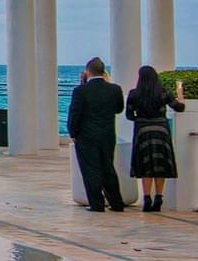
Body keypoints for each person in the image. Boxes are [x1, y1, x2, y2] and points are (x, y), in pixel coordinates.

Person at [66, 56, 125, 213]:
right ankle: (116, 202)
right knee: (108, 168)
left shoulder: (81, 91)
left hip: (86, 136)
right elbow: (119, 109)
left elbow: (75, 113)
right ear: (103, 72)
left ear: (87, 72)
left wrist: (73, 132)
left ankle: (97, 203)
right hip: (107, 135)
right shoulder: (115, 89)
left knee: (90, 169)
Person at [125, 65, 184, 212]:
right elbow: (179, 107)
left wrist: (140, 118)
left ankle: (146, 197)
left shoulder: (134, 94)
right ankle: (158, 197)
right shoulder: (163, 92)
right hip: (161, 130)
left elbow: (129, 115)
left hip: (142, 131)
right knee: (159, 164)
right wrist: (180, 93)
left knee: (146, 165)